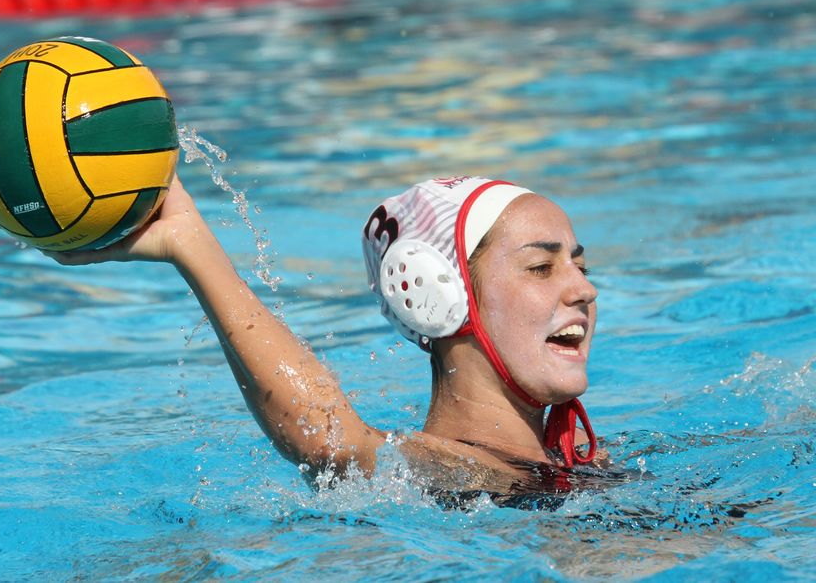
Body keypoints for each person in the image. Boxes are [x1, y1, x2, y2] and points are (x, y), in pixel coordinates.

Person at [47, 174, 611, 503]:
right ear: (439, 295)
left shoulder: (583, 464)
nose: (583, 289)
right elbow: (327, 440)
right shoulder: (433, 470)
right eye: (541, 268)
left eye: (580, 266)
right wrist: (190, 244)